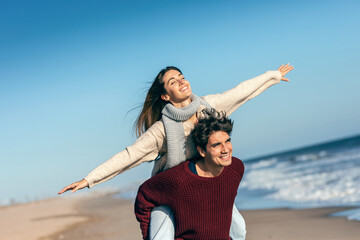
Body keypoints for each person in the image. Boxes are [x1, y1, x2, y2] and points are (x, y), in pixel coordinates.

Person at [58, 64, 294, 239]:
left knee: (239, 228)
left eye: (181, 77)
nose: (182, 81)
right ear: (165, 96)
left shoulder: (208, 106)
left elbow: (240, 92)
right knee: (161, 237)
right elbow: (129, 156)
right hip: (172, 191)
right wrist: (89, 179)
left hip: (207, 183)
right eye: (173, 81)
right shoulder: (161, 130)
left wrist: (272, 76)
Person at [135, 110, 244, 240]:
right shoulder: (179, 179)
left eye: (227, 141)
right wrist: (148, 236)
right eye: (216, 145)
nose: (226, 149)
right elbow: (144, 195)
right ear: (202, 151)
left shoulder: (236, 168)